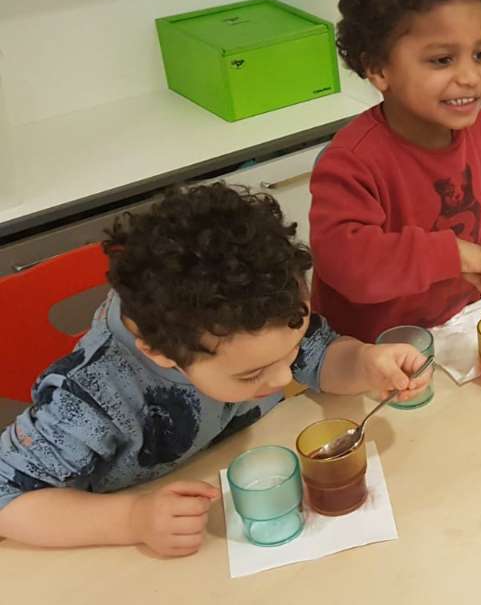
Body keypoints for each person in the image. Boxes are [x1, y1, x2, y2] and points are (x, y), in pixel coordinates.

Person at [0, 184, 432, 556]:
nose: (284, 378)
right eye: (251, 375)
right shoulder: (94, 394)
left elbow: (322, 359)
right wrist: (132, 519)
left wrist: (365, 363)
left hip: (228, 481)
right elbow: (7, 497)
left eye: (292, 350)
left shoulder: (263, 316)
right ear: (162, 353)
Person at [310, 0, 481, 343]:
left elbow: (476, 222)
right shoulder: (351, 163)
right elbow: (350, 266)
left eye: (480, 54)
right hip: (370, 350)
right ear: (378, 69)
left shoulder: (480, 130)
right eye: (442, 60)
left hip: (452, 324)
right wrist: (455, 254)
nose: (471, 77)